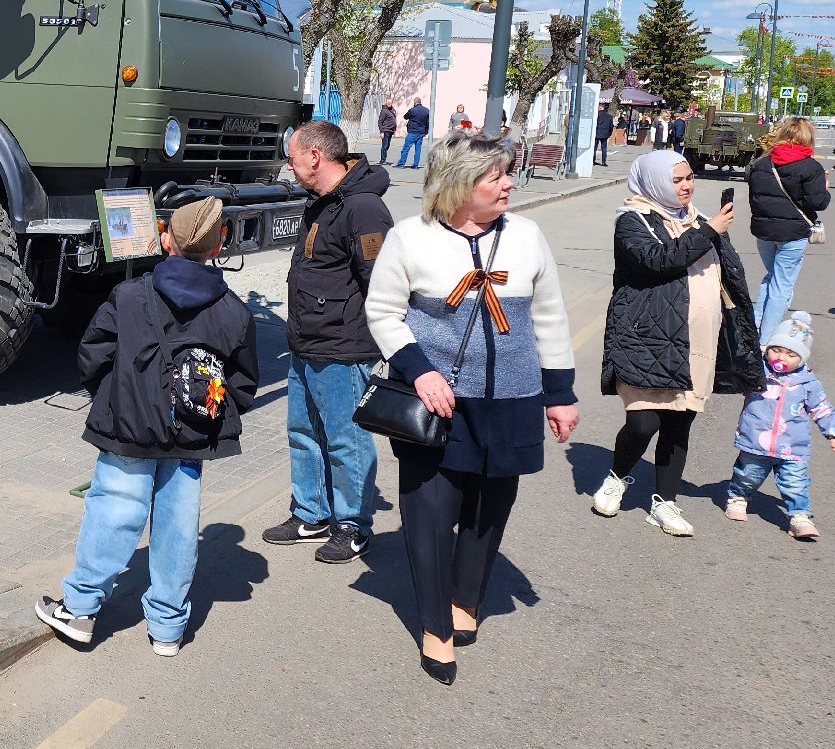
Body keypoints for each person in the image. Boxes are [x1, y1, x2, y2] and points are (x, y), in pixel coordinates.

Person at [366, 133, 579, 685]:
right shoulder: (410, 239)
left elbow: (551, 318)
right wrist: (421, 369)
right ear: (460, 185)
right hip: (434, 404)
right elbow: (384, 313)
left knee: (490, 508)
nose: (509, 183)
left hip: (512, 398)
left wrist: (559, 394)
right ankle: (435, 627)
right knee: (431, 514)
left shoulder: (527, 235)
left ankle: (467, 597)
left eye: (508, 173)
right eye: (496, 176)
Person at [38, 199, 258, 657]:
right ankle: (167, 628)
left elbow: (92, 355)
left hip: (128, 428)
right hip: (191, 437)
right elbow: (242, 382)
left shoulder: (130, 295)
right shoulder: (233, 310)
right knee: (178, 528)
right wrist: (207, 417)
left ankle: (80, 610)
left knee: (113, 514)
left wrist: (115, 399)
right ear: (220, 245)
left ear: (164, 239)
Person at [591, 151, 758, 537]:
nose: (686, 186)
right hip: (647, 337)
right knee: (644, 420)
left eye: (688, 178)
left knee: (680, 422)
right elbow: (656, 260)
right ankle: (617, 477)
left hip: (696, 339)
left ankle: (664, 503)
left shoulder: (699, 219)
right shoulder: (632, 221)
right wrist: (711, 231)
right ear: (654, 182)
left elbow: (727, 273)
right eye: (677, 180)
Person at [263, 122, 393, 563]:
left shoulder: (363, 208)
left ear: (315, 157)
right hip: (306, 341)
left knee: (345, 440)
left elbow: (381, 282)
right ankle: (310, 514)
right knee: (303, 433)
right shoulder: (320, 202)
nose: (289, 166)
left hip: (342, 347)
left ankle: (353, 524)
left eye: (293, 157)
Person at [724, 312, 835, 540]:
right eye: (776, 350)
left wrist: (833, 433)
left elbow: (821, 407)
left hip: (792, 446)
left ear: (802, 358)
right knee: (747, 474)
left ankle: (799, 516)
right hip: (755, 439)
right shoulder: (758, 372)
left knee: (795, 483)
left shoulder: (808, 383)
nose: (782, 357)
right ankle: (739, 497)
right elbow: (735, 378)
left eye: (791, 354)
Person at [748, 117, 830, 344]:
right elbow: (818, 203)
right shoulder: (810, 167)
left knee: (771, 277)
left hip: (764, 231)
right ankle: (766, 338)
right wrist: (824, 188)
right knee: (782, 285)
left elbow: (754, 198)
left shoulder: (763, 162)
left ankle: (755, 325)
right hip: (793, 233)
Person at [397, 97, 432, 169]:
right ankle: (415, 165)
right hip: (421, 132)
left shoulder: (412, 110)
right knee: (418, 149)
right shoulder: (426, 110)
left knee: (406, 148)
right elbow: (428, 122)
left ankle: (401, 163)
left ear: (415, 102)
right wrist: (426, 131)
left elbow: (405, 117)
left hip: (413, 132)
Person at [379, 101, 400, 166]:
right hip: (385, 130)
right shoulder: (384, 111)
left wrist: (394, 129)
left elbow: (394, 119)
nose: (389, 103)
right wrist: (381, 132)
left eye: (390, 102)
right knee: (384, 145)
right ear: (386, 102)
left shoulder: (392, 110)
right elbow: (380, 121)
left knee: (387, 145)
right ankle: (383, 160)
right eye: (388, 102)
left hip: (390, 130)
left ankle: (383, 158)